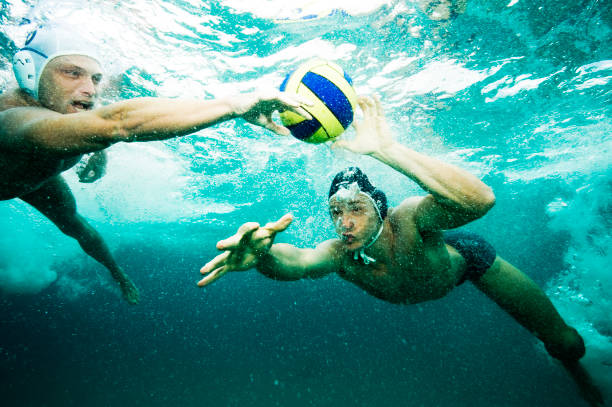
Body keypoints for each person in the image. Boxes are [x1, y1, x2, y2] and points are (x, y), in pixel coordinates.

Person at [198, 95, 605, 406]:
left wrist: (385, 150)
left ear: (380, 208)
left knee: (567, 345)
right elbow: (300, 262)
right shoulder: (340, 252)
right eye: (335, 212)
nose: (345, 222)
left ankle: (583, 380)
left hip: (469, 261)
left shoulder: (408, 219)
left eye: (356, 208)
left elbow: (479, 201)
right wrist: (264, 257)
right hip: (435, 276)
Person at [0, 25, 312, 304]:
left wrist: (99, 152)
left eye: (95, 78)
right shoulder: (12, 121)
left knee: (79, 227)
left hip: (32, 181)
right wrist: (232, 105)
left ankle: (118, 274)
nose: (91, 89)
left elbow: (95, 124)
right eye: (72, 73)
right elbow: (118, 123)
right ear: (31, 73)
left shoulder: (68, 107)